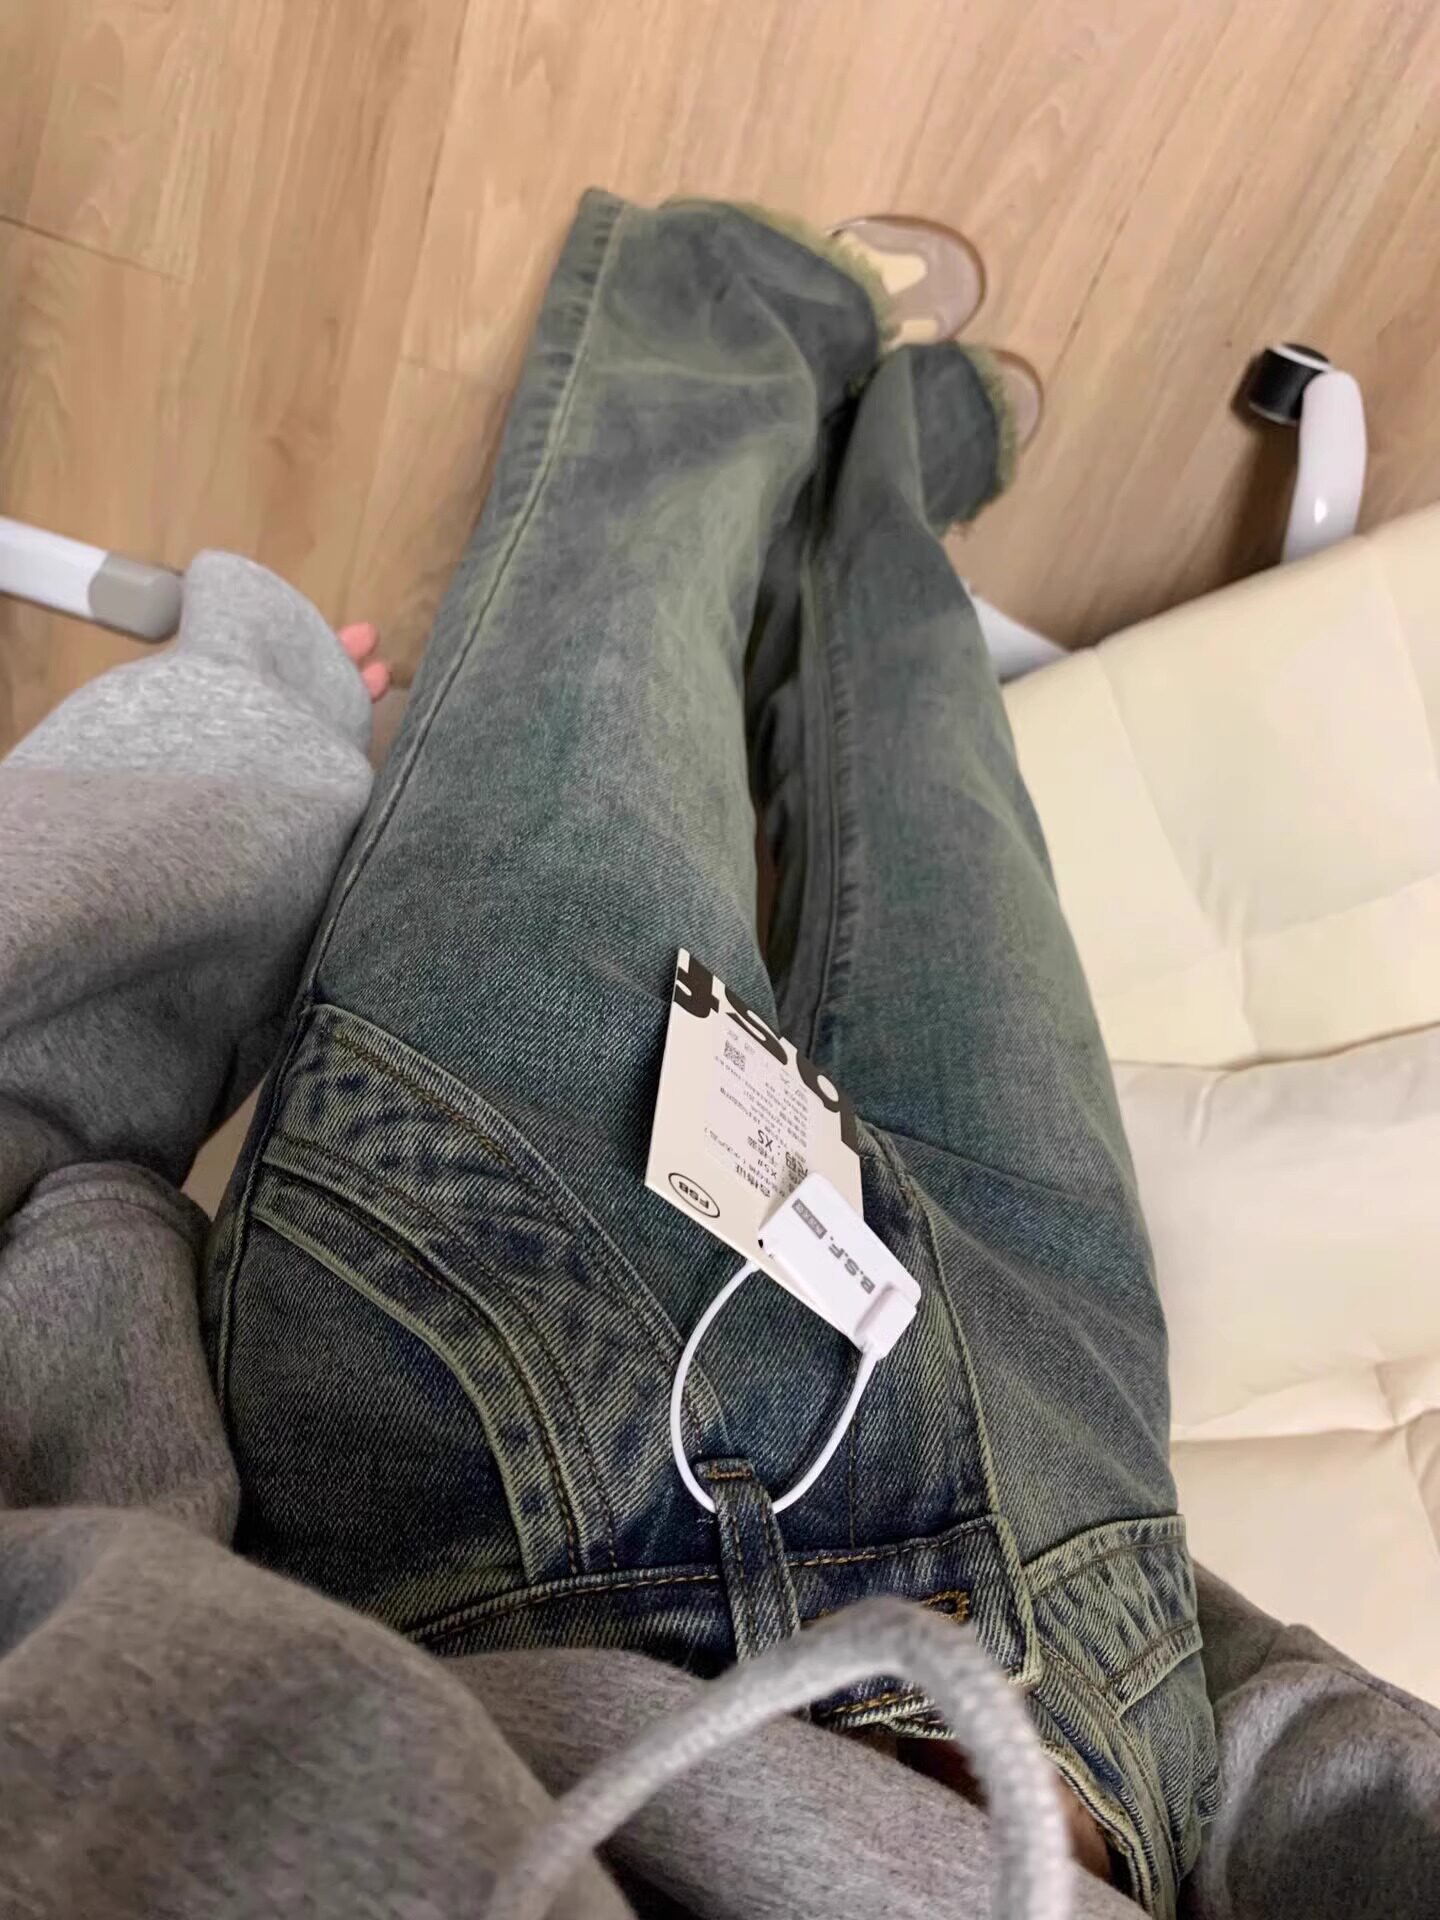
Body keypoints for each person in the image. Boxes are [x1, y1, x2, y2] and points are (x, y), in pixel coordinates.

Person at [0, 193, 1435, 1920]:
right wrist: (1185, 1661)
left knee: (616, 609)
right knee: (948, 783)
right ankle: (890, 483)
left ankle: (743, 304)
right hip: (1085, 1636)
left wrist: (95, 1225)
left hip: (507, 1434)